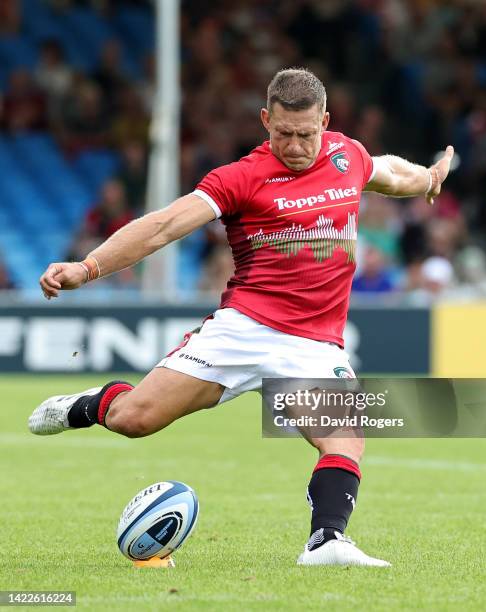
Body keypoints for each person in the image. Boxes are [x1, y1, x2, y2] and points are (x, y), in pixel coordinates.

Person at [30, 68, 454, 567]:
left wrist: (427, 177)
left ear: (325, 121)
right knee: (134, 420)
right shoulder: (238, 178)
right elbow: (162, 226)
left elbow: (390, 173)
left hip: (313, 344)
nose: (295, 146)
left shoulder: (348, 155)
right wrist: (88, 266)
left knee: (344, 437)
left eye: (306, 134)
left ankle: (326, 542)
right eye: (282, 133)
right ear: (265, 121)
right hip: (243, 328)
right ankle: (91, 403)